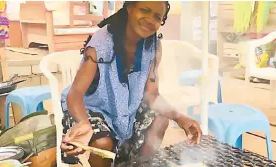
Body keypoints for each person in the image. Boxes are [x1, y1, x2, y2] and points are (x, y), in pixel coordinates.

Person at [60, 1, 202, 167]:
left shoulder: (153, 46)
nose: (150, 19)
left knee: (161, 119)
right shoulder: (101, 42)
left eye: (157, 17)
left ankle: (141, 164)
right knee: (103, 144)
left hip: (127, 107)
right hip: (93, 106)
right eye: (145, 10)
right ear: (129, 9)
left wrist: (180, 118)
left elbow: (152, 95)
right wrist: (83, 122)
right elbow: (75, 94)